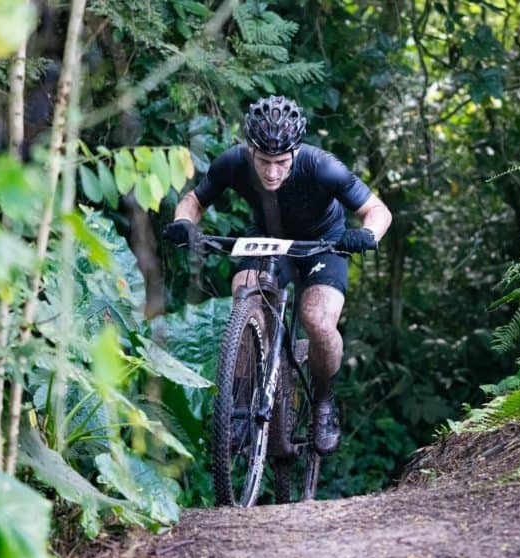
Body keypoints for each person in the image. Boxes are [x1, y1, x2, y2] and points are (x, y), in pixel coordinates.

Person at [164, 95, 392, 454]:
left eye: (282, 162)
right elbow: (193, 201)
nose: (272, 172)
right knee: (245, 296)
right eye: (264, 161)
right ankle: (241, 401)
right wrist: (182, 223)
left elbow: (377, 210)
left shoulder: (322, 166)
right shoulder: (233, 163)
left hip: (324, 243)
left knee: (317, 320)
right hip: (268, 239)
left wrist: (366, 235)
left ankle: (322, 401)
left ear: (295, 153)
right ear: (250, 150)